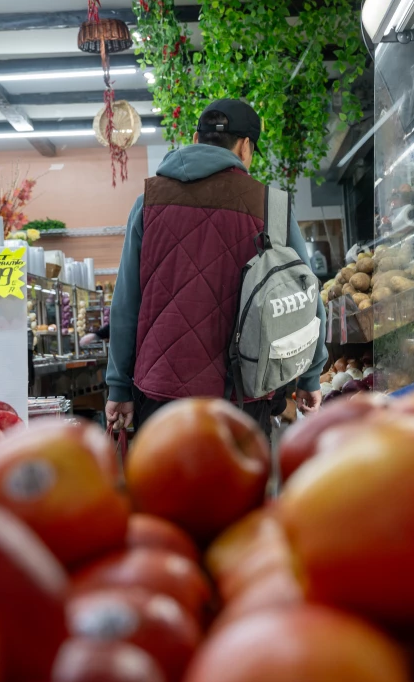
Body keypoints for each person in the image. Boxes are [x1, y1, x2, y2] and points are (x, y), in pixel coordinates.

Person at [105, 99, 328, 433]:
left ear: (195, 137)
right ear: (244, 146)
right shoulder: (271, 205)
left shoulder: (147, 202)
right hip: (242, 394)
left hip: (160, 394)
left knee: (162, 484)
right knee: (238, 486)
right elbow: (304, 299)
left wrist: (119, 387)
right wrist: (310, 377)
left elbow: (125, 305)